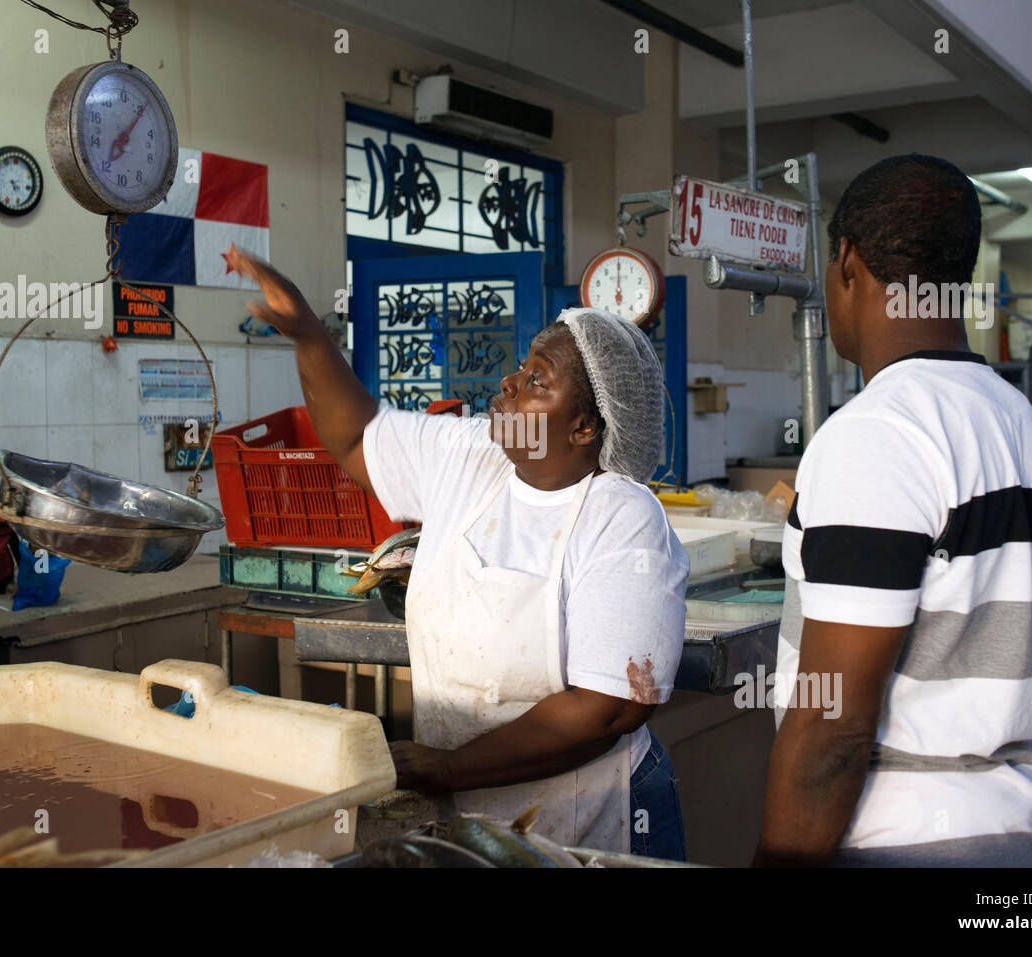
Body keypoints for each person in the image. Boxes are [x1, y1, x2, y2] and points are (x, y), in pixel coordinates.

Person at [223, 245, 690, 859]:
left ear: (584, 428)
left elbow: (606, 711)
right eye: (523, 366)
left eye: (537, 382)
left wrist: (448, 767)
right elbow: (356, 437)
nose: (510, 383)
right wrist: (309, 333)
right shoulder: (475, 454)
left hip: (584, 813)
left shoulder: (623, 520)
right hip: (469, 804)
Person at [755, 154, 1032, 867]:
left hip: (906, 841)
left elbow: (832, 730)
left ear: (848, 263)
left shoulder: (876, 434)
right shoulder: (1022, 424)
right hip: (1021, 832)